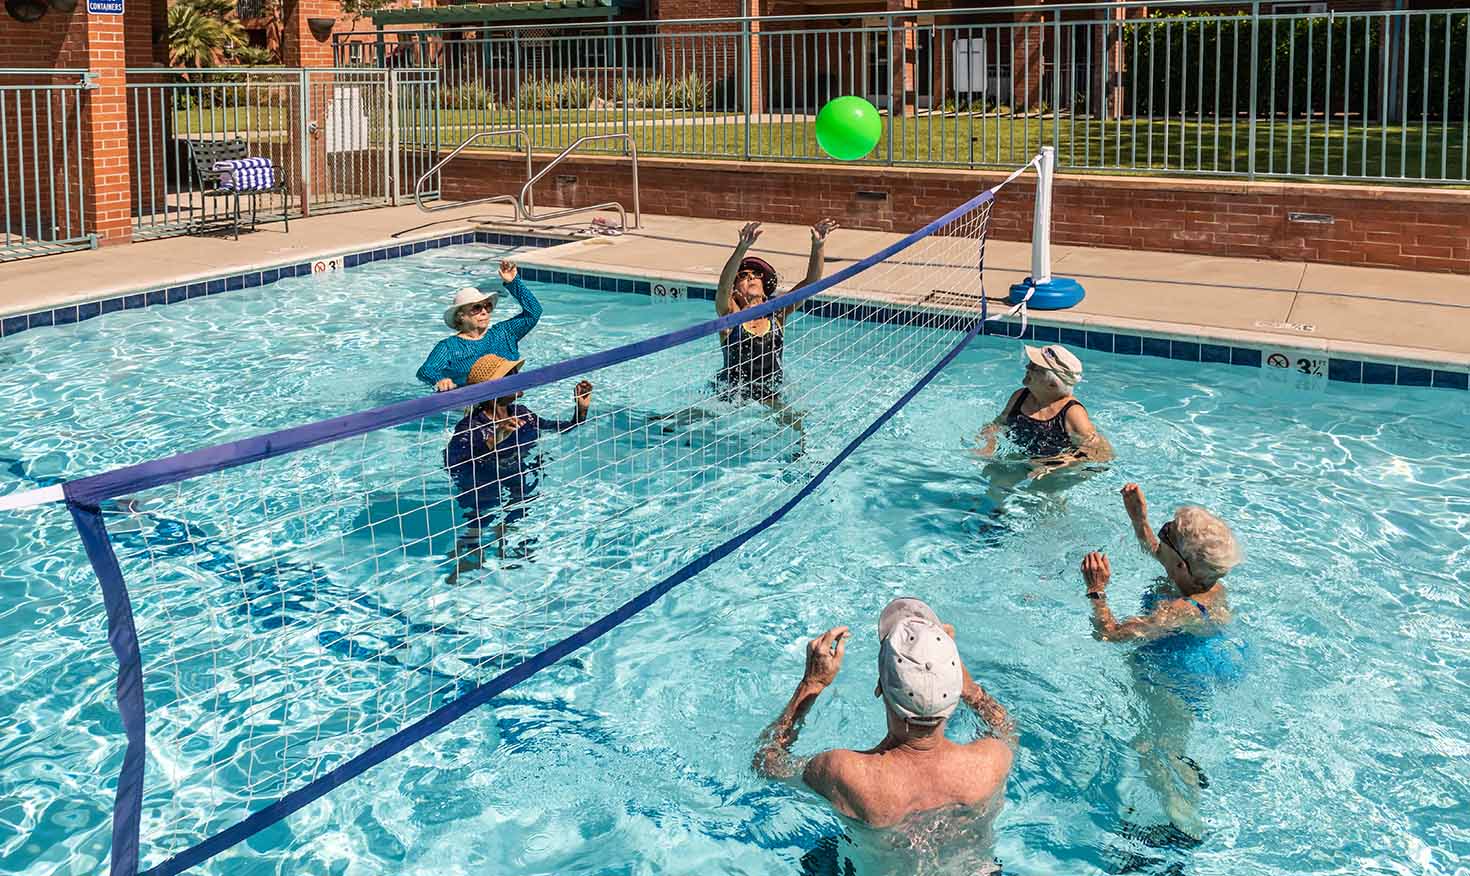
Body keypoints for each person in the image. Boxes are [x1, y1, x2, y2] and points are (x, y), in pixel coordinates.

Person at [753, 597, 1014, 870]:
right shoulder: (992, 760)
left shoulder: (848, 774)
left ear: (879, 687)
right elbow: (1004, 727)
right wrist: (968, 687)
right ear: (956, 688)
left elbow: (766, 762)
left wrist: (812, 683)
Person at [1081, 483, 1245, 847]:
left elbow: (1108, 635)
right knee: (1168, 742)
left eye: (1165, 540)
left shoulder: (1178, 610)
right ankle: (1184, 770)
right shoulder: (1201, 581)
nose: (1158, 544)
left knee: (1152, 749)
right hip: (1198, 657)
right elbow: (1158, 551)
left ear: (1182, 564)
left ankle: (1185, 830)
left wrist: (1097, 593)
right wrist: (1140, 520)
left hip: (1178, 678)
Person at [443, 354, 591, 572]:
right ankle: (466, 560)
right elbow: (452, 463)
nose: (519, 378)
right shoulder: (471, 426)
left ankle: (509, 551)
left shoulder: (523, 414)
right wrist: (490, 443)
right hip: (480, 481)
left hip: (516, 473)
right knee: (479, 522)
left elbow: (558, 428)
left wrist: (580, 411)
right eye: (512, 375)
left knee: (518, 514)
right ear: (493, 389)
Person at [714, 218, 838, 404]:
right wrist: (742, 248)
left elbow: (811, 284)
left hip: (771, 394)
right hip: (730, 397)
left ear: (765, 290)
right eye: (743, 275)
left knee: (795, 424)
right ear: (735, 291)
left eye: (756, 275)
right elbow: (723, 286)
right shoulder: (730, 316)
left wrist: (818, 245)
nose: (751, 277)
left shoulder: (778, 314)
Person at [978, 343, 1110, 476]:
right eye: (1030, 363)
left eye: (1034, 367)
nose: (1027, 367)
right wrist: (990, 444)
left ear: (1052, 384)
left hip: (1059, 470)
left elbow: (1101, 453)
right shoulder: (1020, 396)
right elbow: (997, 424)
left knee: (1040, 490)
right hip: (1025, 458)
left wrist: (1053, 464)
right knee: (994, 475)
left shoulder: (1072, 412)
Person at [418, 260, 542, 392]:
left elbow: (533, 312)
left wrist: (514, 282)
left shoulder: (504, 333)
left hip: (509, 397)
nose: (484, 311)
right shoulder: (449, 347)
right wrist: (440, 380)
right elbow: (426, 371)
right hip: (472, 403)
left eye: (487, 306)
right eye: (476, 308)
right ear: (461, 316)